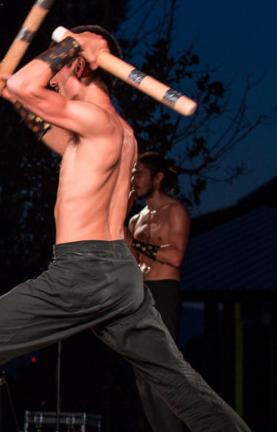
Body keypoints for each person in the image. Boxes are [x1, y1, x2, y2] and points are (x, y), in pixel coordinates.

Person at [0, 26, 249, 431]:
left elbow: (27, 81)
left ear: (81, 64)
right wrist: (12, 92)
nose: (53, 77)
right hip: (120, 277)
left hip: (81, 273)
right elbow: (46, 125)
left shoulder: (94, 119)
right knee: (179, 383)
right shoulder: (116, 130)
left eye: (61, 67)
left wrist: (68, 46)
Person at [126, 151, 191, 432]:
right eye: (133, 174)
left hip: (164, 289)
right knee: (142, 372)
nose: (134, 179)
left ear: (157, 177)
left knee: (162, 369)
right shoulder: (135, 220)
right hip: (140, 292)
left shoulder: (175, 211)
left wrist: (137, 245)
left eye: (139, 173)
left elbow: (175, 256)